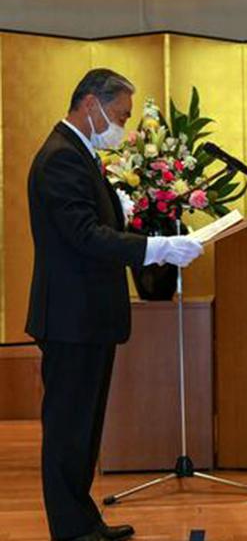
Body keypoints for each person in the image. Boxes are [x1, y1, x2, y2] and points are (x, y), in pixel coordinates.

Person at [27, 68, 204, 541]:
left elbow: (96, 222)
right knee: (68, 432)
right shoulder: (61, 158)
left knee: (84, 430)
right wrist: (156, 249)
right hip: (70, 317)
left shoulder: (80, 155)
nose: (121, 127)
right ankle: (69, 530)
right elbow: (84, 235)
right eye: (120, 115)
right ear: (91, 105)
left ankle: (85, 522)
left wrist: (124, 213)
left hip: (88, 316)